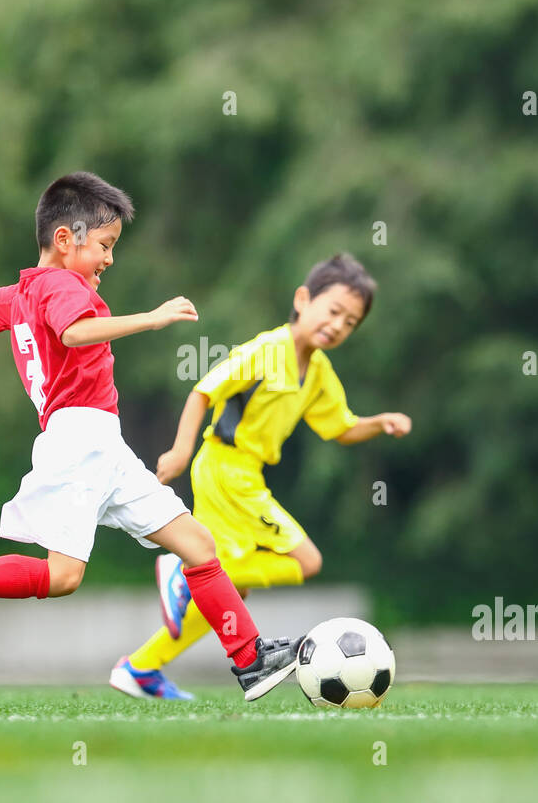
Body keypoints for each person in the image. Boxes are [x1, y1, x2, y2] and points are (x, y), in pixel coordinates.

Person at [0, 172, 300, 700]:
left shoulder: (29, 287)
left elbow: (2, 303)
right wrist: (151, 318)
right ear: (64, 239)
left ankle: (250, 660)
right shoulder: (61, 286)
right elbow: (73, 332)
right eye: (104, 245)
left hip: (103, 444)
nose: (109, 258)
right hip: (78, 441)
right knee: (62, 578)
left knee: (197, 544)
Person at [112, 253, 412, 700]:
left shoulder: (319, 373)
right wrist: (179, 450)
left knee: (232, 591)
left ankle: (141, 667)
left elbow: (340, 427)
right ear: (303, 300)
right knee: (305, 561)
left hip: (244, 475)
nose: (338, 326)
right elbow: (203, 391)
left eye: (350, 322)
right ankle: (180, 569)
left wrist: (379, 422)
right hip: (224, 469)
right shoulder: (267, 350)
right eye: (333, 312)